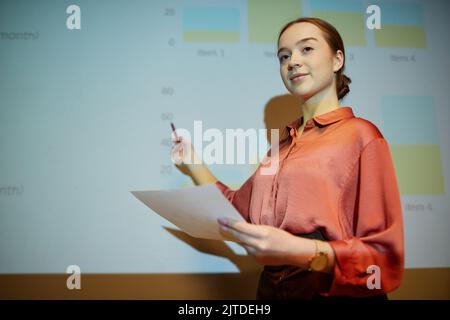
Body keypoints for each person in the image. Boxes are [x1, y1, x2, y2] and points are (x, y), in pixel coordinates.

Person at [170, 17, 404, 300]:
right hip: (272, 289)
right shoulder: (278, 149)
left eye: (306, 49)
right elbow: (237, 211)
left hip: (327, 287)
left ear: (337, 59)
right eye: (284, 56)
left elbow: (383, 256)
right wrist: (193, 161)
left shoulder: (361, 135)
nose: (292, 61)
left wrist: (300, 251)